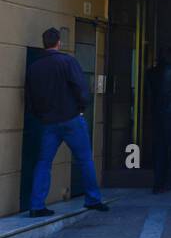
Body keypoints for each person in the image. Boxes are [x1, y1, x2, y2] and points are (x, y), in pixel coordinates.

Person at [25, 28, 109, 215]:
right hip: (71, 119)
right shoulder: (68, 61)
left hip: (48, 122)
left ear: (44, 43)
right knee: (85, 159)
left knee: (43, 162)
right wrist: (80, 109)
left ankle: (36, 205)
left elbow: (30, 97)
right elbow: (81, 89)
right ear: (59, 42)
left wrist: (41, 115)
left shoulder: (34, 67)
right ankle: (93, 199)